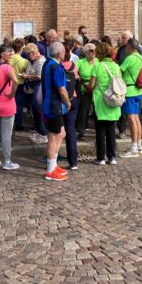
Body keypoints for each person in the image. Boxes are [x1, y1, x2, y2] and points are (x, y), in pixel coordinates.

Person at [89, 42, 122, 165]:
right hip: (113, 100)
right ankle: (112, 157)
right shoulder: (116, 66)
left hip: (100, 101)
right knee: (111, 130)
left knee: (100, 131)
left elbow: (91, 85)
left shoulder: (98, 66)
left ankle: (100, 157)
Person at [42, 41, 71, 181]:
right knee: (53, 137)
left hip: (50, 104)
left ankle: (53, 164)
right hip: (54, 105)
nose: (65, 53)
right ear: (59, 53)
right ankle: (50, 169)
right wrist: (68, 102)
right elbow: (62, 89)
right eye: (64, 51)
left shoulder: (48, 63)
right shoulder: (56, 67)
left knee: (61, 133)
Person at [120, 38, 142, 157]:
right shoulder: (141, 57)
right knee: (136, 118)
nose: (125, 49)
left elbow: (120, 72)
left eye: (126, 46)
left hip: (129, 90)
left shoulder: (129, 58)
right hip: (138, 90)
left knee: (131, 119)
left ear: (130, 46)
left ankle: (134, 146)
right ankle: (139, 145)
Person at [60, 40, 80, 170]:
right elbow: (77, 79)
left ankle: (52, 157)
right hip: (73, 98)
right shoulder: (73, 65)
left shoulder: (57, 66)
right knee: (71, 130)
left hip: (61, 100)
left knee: (57, 131)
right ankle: (73, 162)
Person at [22, 43, 47, 144]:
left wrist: (28, 76)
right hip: (32, 88)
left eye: (28, 54)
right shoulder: (32, 61)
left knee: (38, 111)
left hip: (38, 88)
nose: (28, 57)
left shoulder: (41, 61)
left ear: (33, 52)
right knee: (35, 112)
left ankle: (43, 134)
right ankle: (39, 132)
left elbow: (40, 76)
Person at [75, 42, 98, 140]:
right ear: (86, 52)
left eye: (95, 51)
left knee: (98, 110)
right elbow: (73, 70)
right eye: (91, 51)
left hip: (97, 88)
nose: (93, 53)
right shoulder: (81, 61)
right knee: (84, 110)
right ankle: (81, 132)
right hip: (85, 88)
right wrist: (77, 76)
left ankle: (99, 131)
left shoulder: (99, 61)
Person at [10, 39, 29, 131]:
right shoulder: (24, 61)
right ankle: (18, 124)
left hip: (10, 84)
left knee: (10, 103)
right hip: (20, 84)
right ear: (21, 48)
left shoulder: (9, 58)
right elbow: (27, 73)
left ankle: (10, 122)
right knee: (19, 105)